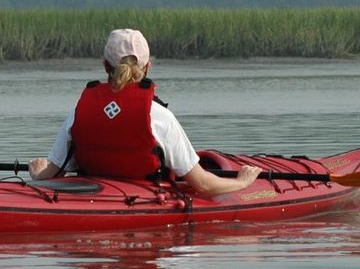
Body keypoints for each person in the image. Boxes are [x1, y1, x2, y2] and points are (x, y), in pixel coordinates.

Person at [28, 28, 261, 195]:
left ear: (105, 66)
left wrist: (38, 173)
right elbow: (203, 184)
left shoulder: (79, 111)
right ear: (147, 66)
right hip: (143, 197)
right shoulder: (158, 115)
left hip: (92, 194)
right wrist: (242, 183)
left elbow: (50, 173)